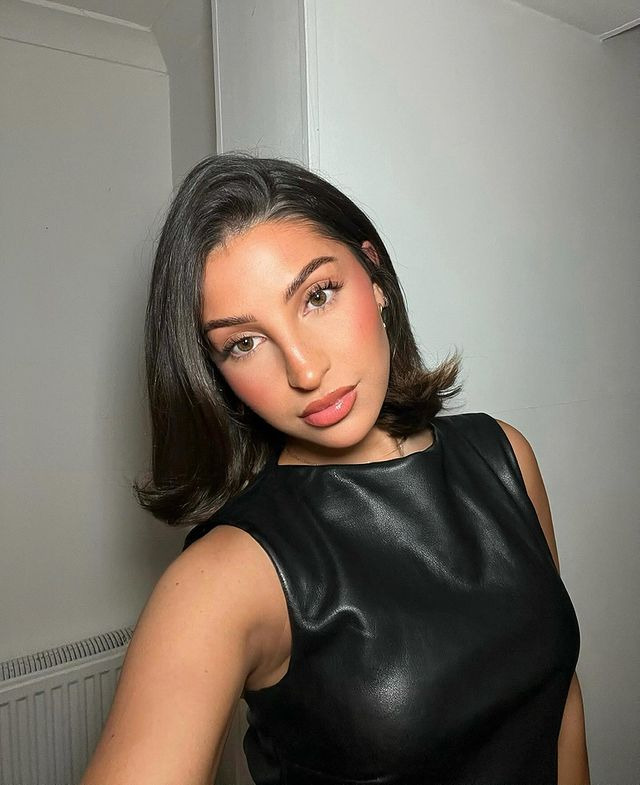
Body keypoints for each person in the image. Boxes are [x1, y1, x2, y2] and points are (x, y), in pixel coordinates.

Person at [81, 152, 590, 785]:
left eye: (317, 296)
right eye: (244, 343)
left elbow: (559, 698)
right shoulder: (226, 576)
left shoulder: (503, 456)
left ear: (374, 277)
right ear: (216, 374)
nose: (304, 369)